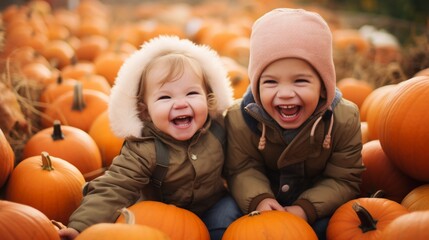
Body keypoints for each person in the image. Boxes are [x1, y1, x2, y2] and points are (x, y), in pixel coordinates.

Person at [58, 35, 242, 240]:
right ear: (145, 112)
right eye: (165, 97)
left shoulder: (219, 129)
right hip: (160, 215)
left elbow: (246, 155)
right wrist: (82, 227)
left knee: (227, 216)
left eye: (191, 93)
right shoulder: (144, 148)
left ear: (209, 100)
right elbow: (116, 186)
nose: (180, 103)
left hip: (212, 204)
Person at [224, 8, 365, 239]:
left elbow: (343, 178)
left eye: (300, 81)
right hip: (259, 205)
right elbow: (241, 169)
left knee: (337, 227)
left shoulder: (343, 119)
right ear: (256, 84)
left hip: (315, 204)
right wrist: (260, 199)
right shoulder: (240, 118)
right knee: (223, 218)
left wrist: (306, 208)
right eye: (270, 82)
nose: (286, 93)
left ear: (323, 85)